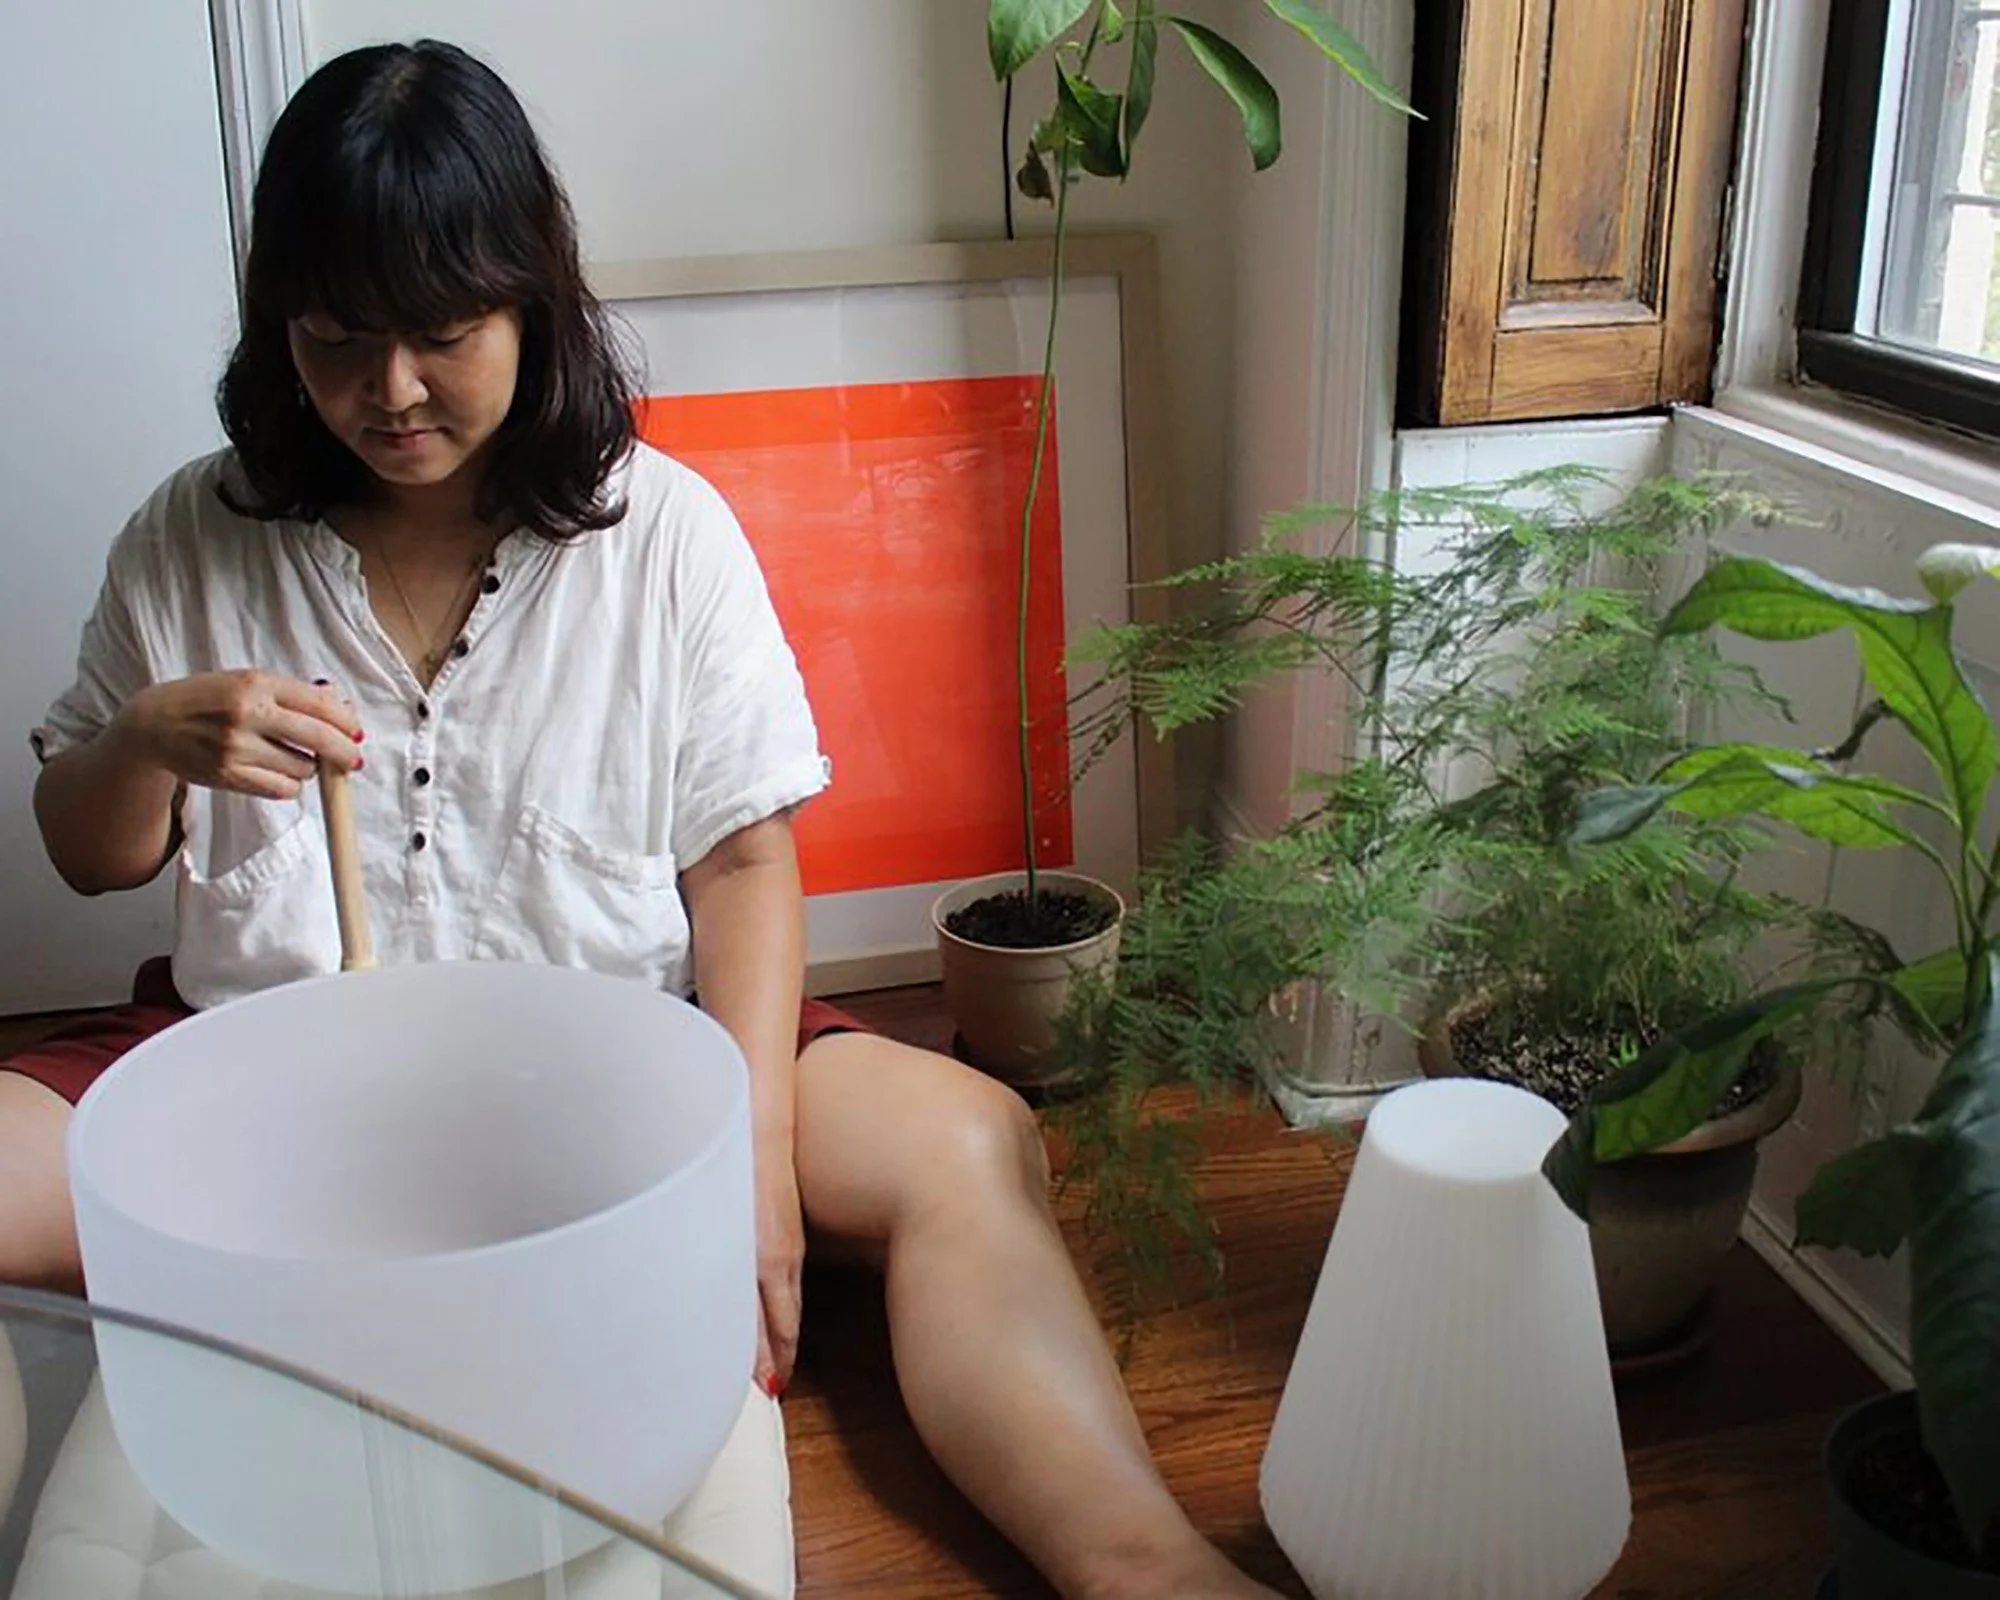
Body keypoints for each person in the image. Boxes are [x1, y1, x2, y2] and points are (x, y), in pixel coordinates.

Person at [0, 40, 1277, 1600]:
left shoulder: (661, 533)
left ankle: (1142, 1564)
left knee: (966, 1139)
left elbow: (742, 861)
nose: (390, 393)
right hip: (261, 1082)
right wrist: (148, 740)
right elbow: (86, 850)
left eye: (441, 336)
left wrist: (749, 1172)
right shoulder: (189, 537)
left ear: (529, 304)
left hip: (622, 1065)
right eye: (336, 341)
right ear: (281, 329)